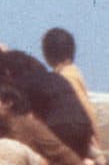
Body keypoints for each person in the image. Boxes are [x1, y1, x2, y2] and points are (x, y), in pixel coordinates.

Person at [0, 48, 95, 159]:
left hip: (60, 127)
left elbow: (26, 119)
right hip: (84, 126)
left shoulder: (20, 85)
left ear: (8, 72)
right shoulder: (54, 76)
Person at [41, 27, 103, 156]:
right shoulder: (73, 71)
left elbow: (85, 109)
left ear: (47, 54)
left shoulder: (65, 76)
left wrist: (97, 145)